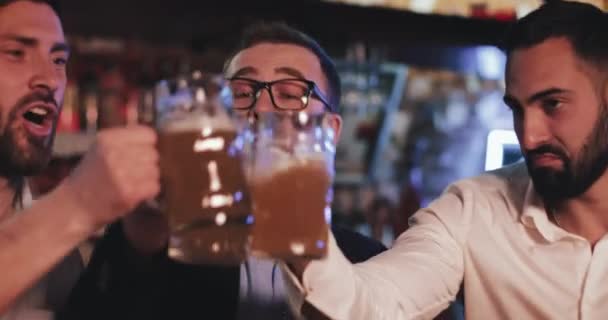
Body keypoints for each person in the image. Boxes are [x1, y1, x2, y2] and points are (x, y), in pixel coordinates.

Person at [281, 1, 608, 319]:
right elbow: (372, 305)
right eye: (517, 109)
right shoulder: (473, 211)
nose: (529, 136)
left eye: (552, 104)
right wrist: (293, 213)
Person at [58, 22, 387, 320]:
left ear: (331, 130)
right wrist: (138, 245)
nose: (260, 108)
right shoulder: (157, 242)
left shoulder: (370, 263)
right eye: (241, 94)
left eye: (289, 94)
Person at [0, 0, 160, 317]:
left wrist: (138, 246)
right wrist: (78, 202)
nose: (49, 79)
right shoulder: (55, 232)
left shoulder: (61, 263)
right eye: (16, 53)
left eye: (58, 60)